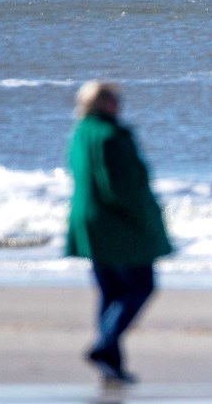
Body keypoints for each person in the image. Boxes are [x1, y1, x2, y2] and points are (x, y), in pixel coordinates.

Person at [65, 81, 174, 384]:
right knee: (141, 285)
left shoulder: (80, 132)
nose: (118, 103)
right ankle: (103, 346)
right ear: (99, 103)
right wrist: (149, 222)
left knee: (110, 291)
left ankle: (111, 363)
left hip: (89, 221)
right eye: (112, 99)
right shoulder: (111, 135)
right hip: (117, 224)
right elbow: (122, 188)